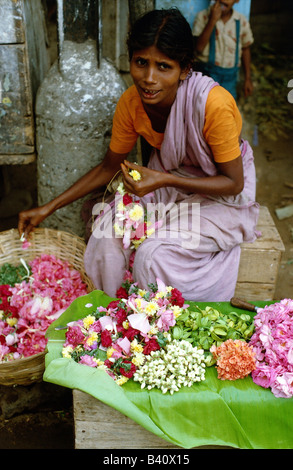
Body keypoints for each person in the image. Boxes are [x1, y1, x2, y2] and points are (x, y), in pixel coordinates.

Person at [18, 8, 259, 302]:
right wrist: (48, 208)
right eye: (141, 62)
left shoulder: (214, 104)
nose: (148, 78)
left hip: (221, 195)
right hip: (170, 182)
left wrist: (161, 180)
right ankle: (109, 317)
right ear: (130, 59)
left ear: (184, 69)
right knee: (107, 234)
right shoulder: (131, 103)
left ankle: (159, 324)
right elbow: (108, 168)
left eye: (164, 67)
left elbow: (233, 183)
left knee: (152, 255)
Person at [193, 0, 254, 99]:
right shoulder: (203, 17)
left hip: (230, 78)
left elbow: (245, 49)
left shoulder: (241, 21)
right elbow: (198, 49)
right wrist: (212, 20)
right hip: (206, 76)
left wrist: (247, 78)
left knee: (227, 107)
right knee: (204, 106)